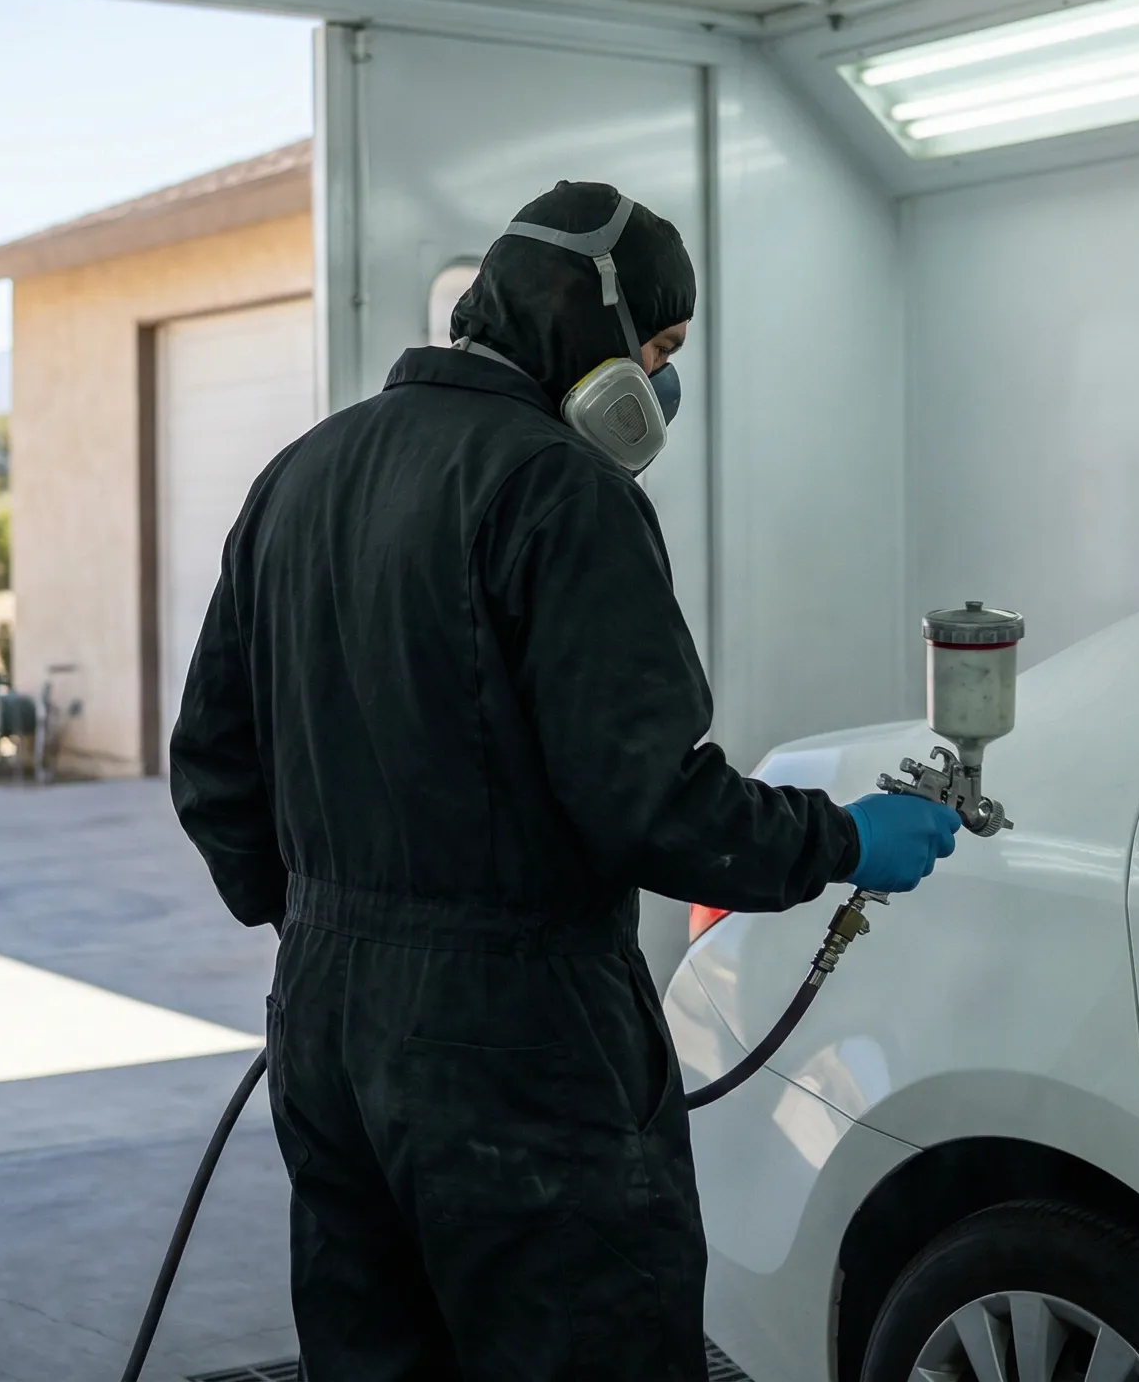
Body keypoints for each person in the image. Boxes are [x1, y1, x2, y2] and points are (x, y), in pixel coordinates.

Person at [169, 180, 962, 1381]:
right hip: (519, 1041)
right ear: (590, 335)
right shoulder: (561, 490)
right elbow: (649, 806)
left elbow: (212, 771)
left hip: (327, 1020)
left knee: (375, 1353)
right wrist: (844, 839)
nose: (659, 381)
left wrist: (339, 933)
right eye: (659, 346)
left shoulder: (301, 472)